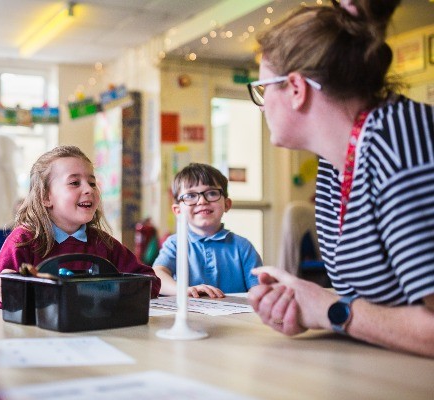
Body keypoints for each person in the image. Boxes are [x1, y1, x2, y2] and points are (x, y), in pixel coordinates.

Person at [246, 0, 434, 357]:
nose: (262, 105)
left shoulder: (398, 141)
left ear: (296, 88)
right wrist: (307, 305)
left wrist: (333, 311)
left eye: (262, 88)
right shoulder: (336, 165)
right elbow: (371, 309)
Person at [0, 145, 160, 310]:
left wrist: (111, 289)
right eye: (74, 183)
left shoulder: (103, 243)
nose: (88, 189)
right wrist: (5, 295)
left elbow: (150, 282)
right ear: (46, 197)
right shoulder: (23, 241)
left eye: (92, 183)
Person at [152, 163, 262, 298]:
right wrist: (183, 290)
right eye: (191, 195)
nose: (202, 201)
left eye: (212, 193)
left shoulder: (243, 246)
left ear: (227, 204)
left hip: (235, 317)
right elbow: (157, 275)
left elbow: (258, 289)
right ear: (178, 210)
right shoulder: (175, 243)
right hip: (190, 317)